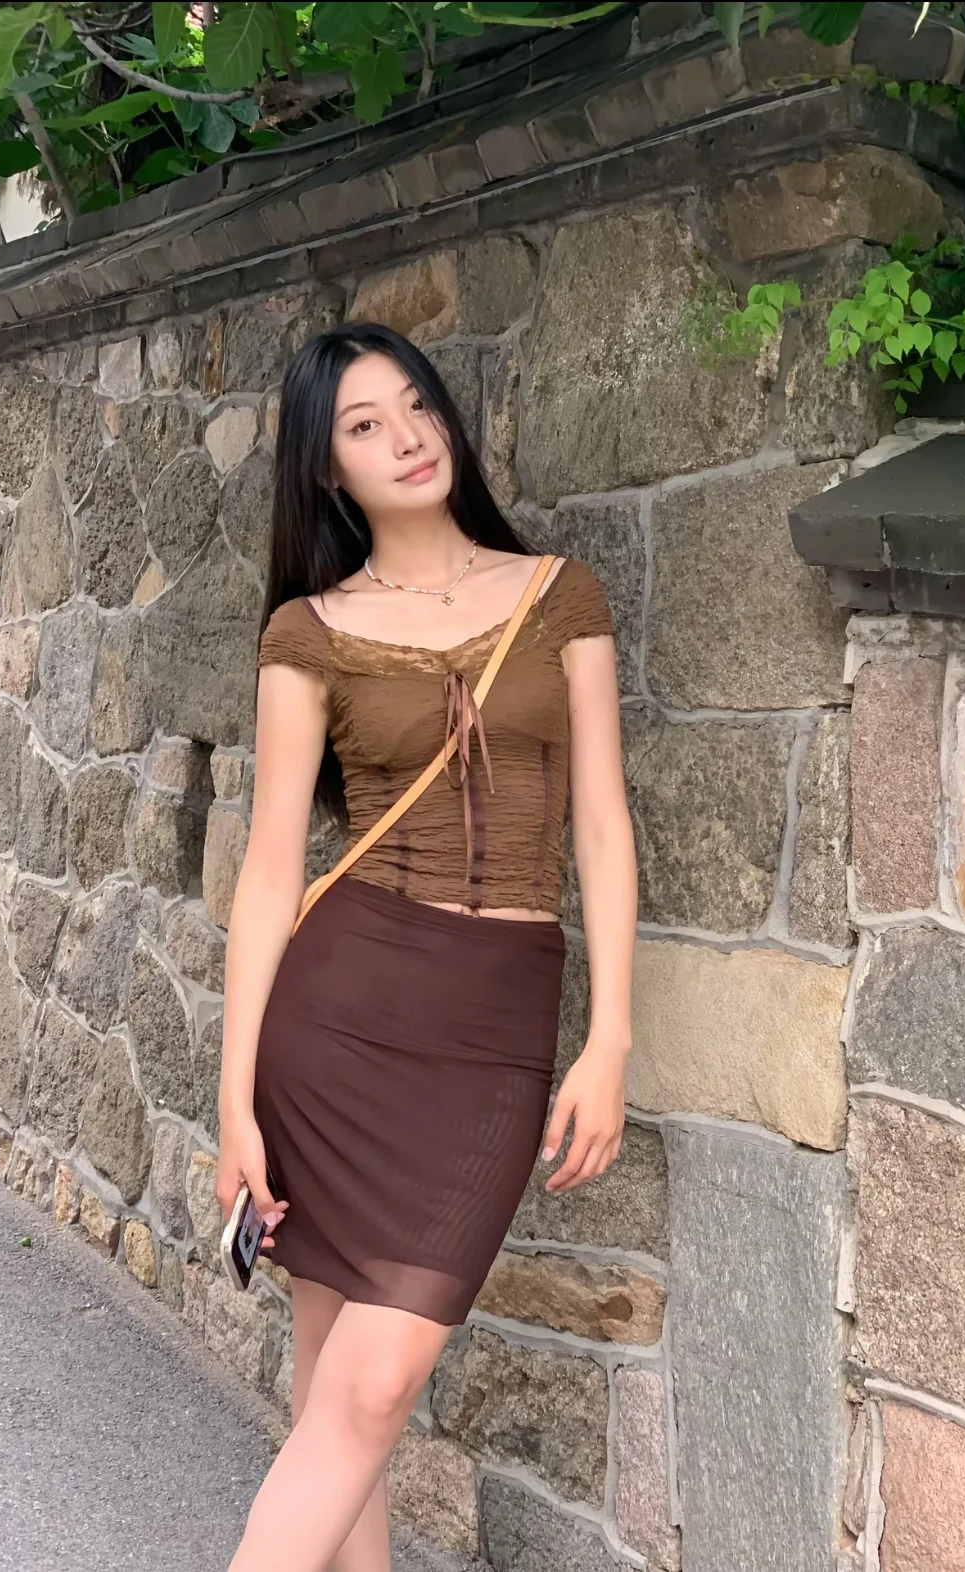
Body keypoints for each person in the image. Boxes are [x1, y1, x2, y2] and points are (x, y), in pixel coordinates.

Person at [214, 321, 638, 1572]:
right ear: (325, 467)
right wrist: (232, 1103)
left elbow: (602, 826)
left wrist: (610, 1036)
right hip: (334, 1020)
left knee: (369, 1383)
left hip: (494, 1027)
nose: (406, 437)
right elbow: (269, 870)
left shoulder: (560, 596)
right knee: (340, 1388)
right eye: (364, 424)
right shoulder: (309, 632)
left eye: (416, 404)